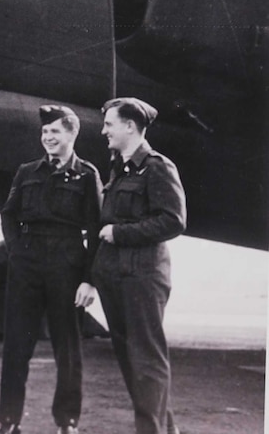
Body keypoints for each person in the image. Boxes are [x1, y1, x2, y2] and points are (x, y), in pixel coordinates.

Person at [0, 105, 102, 434]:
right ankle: (9, 421)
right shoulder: (27, 171)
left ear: (72, 134)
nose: (48, 137)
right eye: (44, 132)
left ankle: (67, 421)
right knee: (16, 346)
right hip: (27, 263)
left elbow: (96, 230)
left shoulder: (87, 175)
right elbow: (8, 214)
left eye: (55, 131)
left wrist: (89, 280)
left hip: (66, 262)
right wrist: (15, 251)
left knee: (67, 347)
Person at [93, 98, 186, 434]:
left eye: (109, 124)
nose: (104, 130)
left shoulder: (158, 166)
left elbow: (173, 221)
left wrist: (121, 233)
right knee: (133, 363)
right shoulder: (120, 167)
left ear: (129, 126)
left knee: (147, 361)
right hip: (116, 277)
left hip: (143, 277)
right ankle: (164, 430)